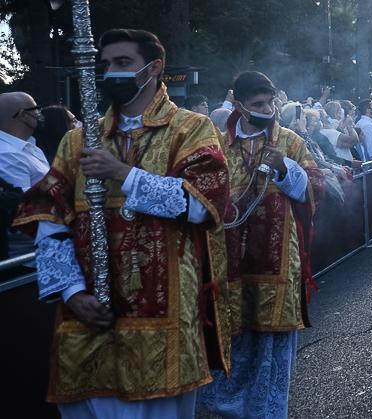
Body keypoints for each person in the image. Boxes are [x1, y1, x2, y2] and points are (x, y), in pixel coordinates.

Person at [13, 28, 232, 417]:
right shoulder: (77, 141)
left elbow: (200, 205)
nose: (111, 72)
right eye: (106, 64)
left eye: (123, 63)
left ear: (154, 68)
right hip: (90, 317)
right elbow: (50, 224)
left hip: (162, 320)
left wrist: (123, 174)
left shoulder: (191, 129)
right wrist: (71, 294)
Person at [200, 71, 322, 418]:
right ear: (238, 104)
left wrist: (285, 170)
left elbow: (317, 187)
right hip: (230, 265)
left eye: (270, 102)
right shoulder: (218, 144)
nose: (267, 109)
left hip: (277, 264)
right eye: (258, 104)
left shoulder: (290, 141)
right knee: (235, 345)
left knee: (273, 350)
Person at [0, 93, 50, 262]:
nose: (40, 114)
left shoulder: (28, 146)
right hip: (31, 261)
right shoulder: (6, 154)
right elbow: (23, 215)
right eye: (35, 109)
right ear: (22, 115)